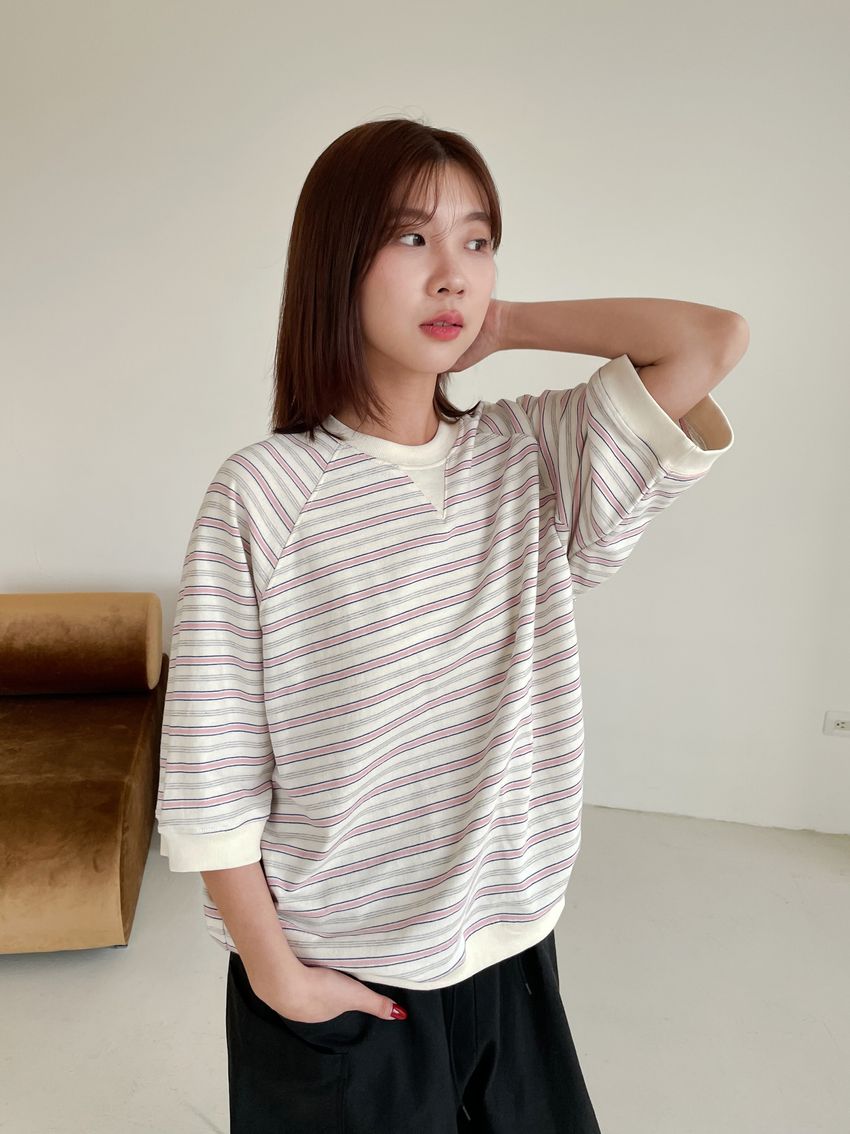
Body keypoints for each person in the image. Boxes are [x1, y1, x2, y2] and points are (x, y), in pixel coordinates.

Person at [155, 116, 740, 1133]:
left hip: (509, 949)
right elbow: (213, 769)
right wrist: (276, 973)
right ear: (336, 259)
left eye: (477, 241)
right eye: (410, 236)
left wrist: (501, 324)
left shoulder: (528, 458)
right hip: (342, 968)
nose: (452, 274)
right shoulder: (264, 494)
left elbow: (710, 339)